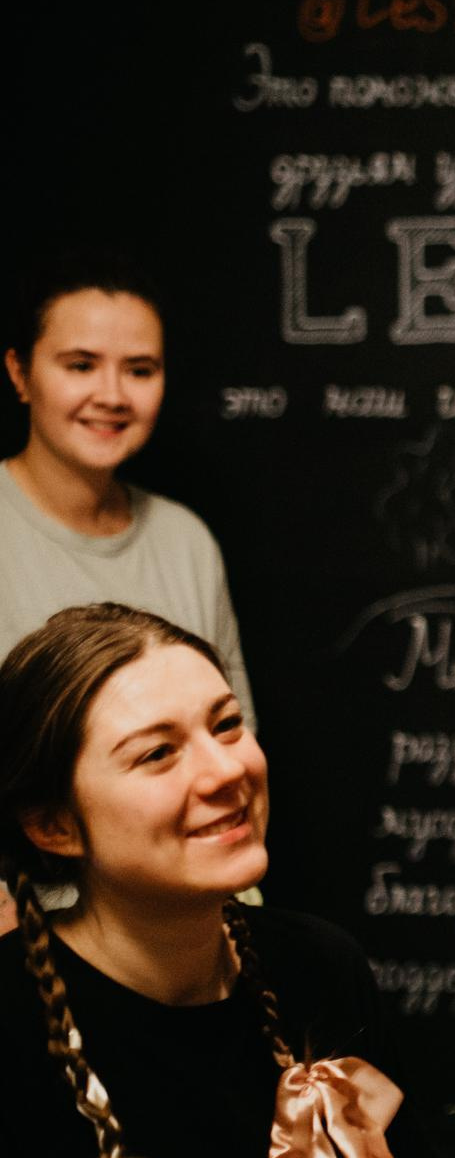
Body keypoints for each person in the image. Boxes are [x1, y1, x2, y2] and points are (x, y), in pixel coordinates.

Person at [0, 604, 431, 1158]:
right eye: (157, 752)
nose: (225, 768)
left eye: (227, 723)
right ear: (53, 824)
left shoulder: (321, 970)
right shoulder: (12, 1033)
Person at [1, 251, 255, 935]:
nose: (112, 393)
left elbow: (235, 746)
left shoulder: (184, 540)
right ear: (20, 373)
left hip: (186, 934)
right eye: (80, 365)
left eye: (140, 370)